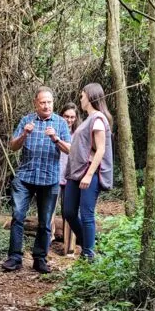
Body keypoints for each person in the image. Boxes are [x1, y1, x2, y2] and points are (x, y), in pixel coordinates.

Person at [2, 86, 72, 274]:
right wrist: (24, 134)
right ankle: (14, 257)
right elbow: (13, 147)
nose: (46, 105)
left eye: (49, 102)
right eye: (42, 102)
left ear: (53, 103)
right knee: (18, 217)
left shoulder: (60, 123)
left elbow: (69, 149)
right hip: (25, 177)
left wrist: (56, 138)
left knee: (45, 221)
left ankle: (39, 259)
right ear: (36, 103)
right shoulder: (26, 120)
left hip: (49, 180)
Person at [63, 83, 113, 261]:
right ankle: (89, 244)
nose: (81, 99)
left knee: (86, 214)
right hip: (75, 174)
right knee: (68, 212)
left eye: (82, 95)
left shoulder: (98, 119)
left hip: (89, 173)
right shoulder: (87, 120)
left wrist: (89, 174)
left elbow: (100, 150)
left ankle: (88, 254)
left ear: (91, 97)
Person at [56, 103, 79, 253]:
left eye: (72, 117)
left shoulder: (77, 134)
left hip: (70, 176)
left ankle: (69, 247)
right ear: (61, 116)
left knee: (68, 211)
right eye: (66, 116)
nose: (69, 120)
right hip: (54, 175)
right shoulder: (55, 131)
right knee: (49, 210)